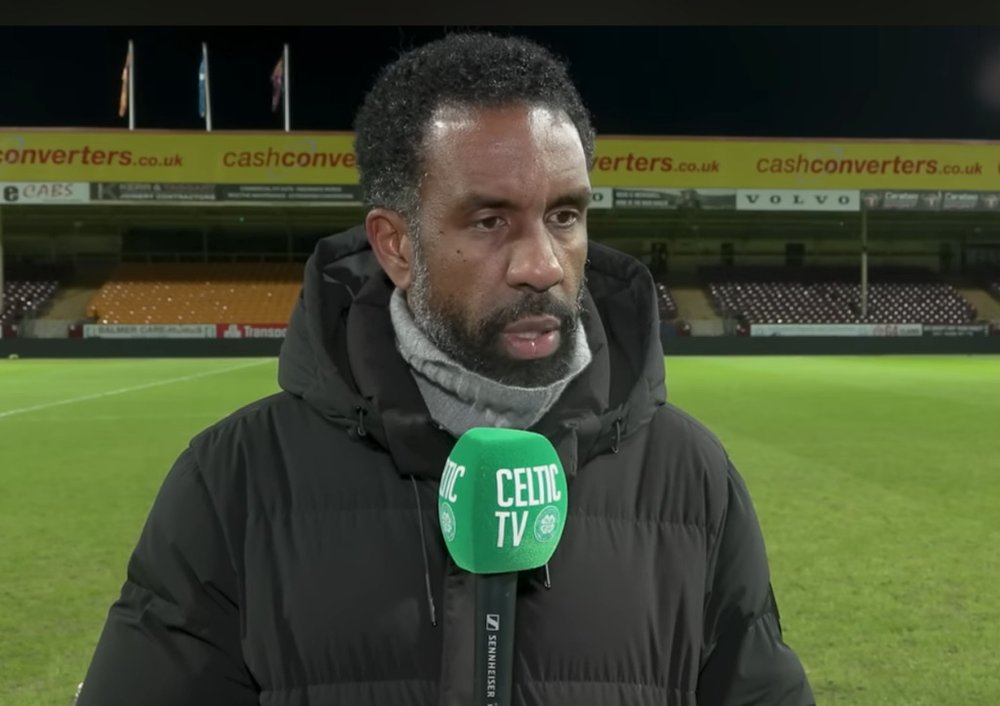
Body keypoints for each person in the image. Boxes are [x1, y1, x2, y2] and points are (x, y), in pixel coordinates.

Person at [76, 32, 815, 706]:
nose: (542, 266)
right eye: (490, 221)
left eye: (564, 216)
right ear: (396, 246)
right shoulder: (231, 483)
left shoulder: (694, 479)